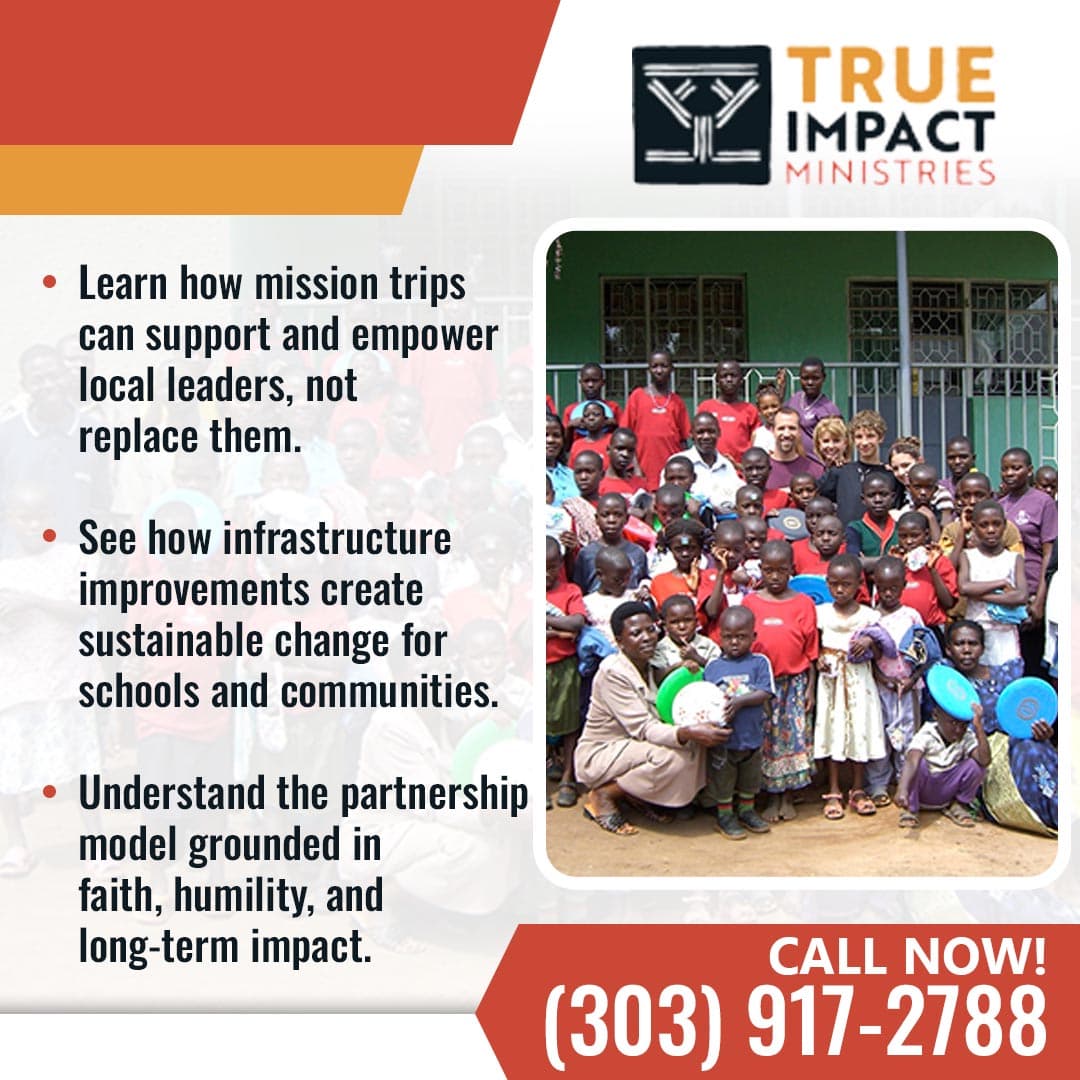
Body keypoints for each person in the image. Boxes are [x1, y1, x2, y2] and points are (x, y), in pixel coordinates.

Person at [574, 602, 729, 835]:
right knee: (673, 757)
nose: (646, 637)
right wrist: (687, 732)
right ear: (619, 641)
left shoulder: (648, 665)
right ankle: (603, 796)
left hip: (633, 745)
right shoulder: (612, 672)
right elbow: (644, 728)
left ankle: (637, 795)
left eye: (650, 630)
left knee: (691, 747)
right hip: (604, 751)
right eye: (636, 633)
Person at [944, 620, 1057, 836]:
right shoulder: (949, 685)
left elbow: (1024, 715)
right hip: (984, 754)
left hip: (1019, 741)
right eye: (959, 644)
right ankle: (1050, 814)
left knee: (1034, 749)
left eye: (973, 644)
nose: (966, 650)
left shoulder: (1006, 674)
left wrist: (1042, 731)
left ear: (982, 648)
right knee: (1027, 752)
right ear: (948, 649)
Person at [742, 541, 818, 822]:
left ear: (791, 570)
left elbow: (811, 652)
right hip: (761, 686)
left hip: (794, 683)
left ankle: (788, 795)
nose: (774, 576)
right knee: (767, 739)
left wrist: (810, 689)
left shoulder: (803, 603)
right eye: (768, 570)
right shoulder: (750, 603)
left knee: (794, 739)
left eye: (781, 570)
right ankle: (770, 797)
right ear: (760, 569)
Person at [815, 554, 887, 819]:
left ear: (859, 584)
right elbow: (813, 646)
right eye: (834, 584)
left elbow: (882, 652)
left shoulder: (869, 616)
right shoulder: (821, 612)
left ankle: (858, 788)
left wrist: (869, 642)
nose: (840, 590)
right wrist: (819, 660)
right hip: (831, 680)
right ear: (827, 583)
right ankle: (834, 789)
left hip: (859, 679)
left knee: (859, 728)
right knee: (832, 728)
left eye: (846, 584)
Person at [701, 607, 775, 839]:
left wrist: (740, 702)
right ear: (719, 637)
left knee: (749, 778)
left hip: (751, 735)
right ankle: (725, 815)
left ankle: (746, 811)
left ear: (753, 637)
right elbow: (704, 697)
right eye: (728, 637)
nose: (734, 642)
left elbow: (765, 691)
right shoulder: (713, 667)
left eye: (741, 637)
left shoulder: (759, 662)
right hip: (724, 739)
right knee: (724, 778)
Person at [865, 557, 924, 807]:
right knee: (879, 732)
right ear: (875, 586)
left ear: (903, 586)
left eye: (894, 588)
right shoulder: (869, 618)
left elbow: (923, 652)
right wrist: (882, 678)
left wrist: (912, 679)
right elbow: (867, 658)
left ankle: (904, 781)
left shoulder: (911, 616)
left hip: (908, 687)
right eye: (882, 588)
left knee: (908, 732)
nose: (888, 594)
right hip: (879, 686)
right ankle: (878, 783)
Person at [894, 678, 990, 830]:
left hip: (946, 794)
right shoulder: (927, 733)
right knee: (920, 763)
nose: (958, 729)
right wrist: (902, 789)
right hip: (923, 792)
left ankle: (958, 805)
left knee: (976, 765)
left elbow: (984, 760)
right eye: (953, 723)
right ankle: (910, 809)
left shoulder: (967, 736)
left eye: (963, 724)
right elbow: (912, 759)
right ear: (936, 715)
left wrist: (978, 727)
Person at [998, 447, 1057, 678]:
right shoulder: (1000, 504)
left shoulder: (1043, 502)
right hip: (1006, 597)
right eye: (1005, 469)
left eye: (1016, 468)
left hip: (1032, 592)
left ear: (1029, 470)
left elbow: (1049, 553)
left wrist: (1040, 601)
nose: (1010, 473)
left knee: (1033, 667)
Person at [957, 500, 1028, 665]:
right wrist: (1000, 584)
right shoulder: (968, 556)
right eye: (984, 525)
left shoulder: (1014, 558)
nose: (991, 530)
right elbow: (964, 587)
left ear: (1005, 525)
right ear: (974, 527)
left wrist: (979, 595)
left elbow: (1021, 596)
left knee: (1007, 674)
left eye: (996, 524)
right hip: (975, 633)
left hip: (1006, 632)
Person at [546, 537, 587, 809]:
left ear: (561, 564)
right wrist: (560, 630)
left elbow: (576, 622)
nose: (546, 574)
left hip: (565, 666)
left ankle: (568, 778)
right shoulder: (522, 592)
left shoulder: (570, 591)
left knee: (570, 722)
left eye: (552, 567)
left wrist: (546, 621)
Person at [624, 349, 691, 490]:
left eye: (664, 366)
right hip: (643, 469)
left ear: (671, 369)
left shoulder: (677, 401)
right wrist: (635, 467)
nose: (659, 371)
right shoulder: (637, 397)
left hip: (671, 473)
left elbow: (683, 441)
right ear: (649, 369)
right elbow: (626, 437)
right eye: (654, 366)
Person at [889, 511, 958, 640]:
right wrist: (896, 567)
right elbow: (884, 599)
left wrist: (932, 569)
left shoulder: (939, 561)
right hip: (899, 628)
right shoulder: (895, 562)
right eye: (903, 536)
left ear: (926, 535)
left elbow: (948, 602)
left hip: (931, 628)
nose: (909, 541)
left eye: (915, 536)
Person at [649, 518, 724, 635]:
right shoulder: (659, 581)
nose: (685, 554)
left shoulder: (711, 576)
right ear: (670, 549)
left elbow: (712, 611)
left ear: (700, 548)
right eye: (678, 549)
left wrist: (720, 573)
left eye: (691, 548)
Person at [817, 410, 891, 525]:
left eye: (870, 436)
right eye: (859, 437)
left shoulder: (889, 475)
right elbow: (818, 495)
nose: (864, 442)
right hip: (846, 533)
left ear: (880, 438)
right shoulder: (840, 471)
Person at [572, 493, 649, 594]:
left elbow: (644, 581)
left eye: (618, 515)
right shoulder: (586, 554)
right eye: (605, 515)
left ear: (626, 519)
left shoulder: (637, 552)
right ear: (597, 519)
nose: (611, 520)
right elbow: (580, 588)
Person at [651, 593, 721, 684]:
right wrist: (678, 666)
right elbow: (656, 678)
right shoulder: (660, 649)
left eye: (688, 620)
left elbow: (719, 673)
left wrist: (697, 658)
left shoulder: (708, 645)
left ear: (696, 622)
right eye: (674, 622)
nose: (682, 626)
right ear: (665, 625)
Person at [698, 359, 760, 462]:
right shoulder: (706, 407)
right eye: (724, 376)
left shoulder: (750, 410)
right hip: (710, 466)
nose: (729, 379)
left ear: (741, 380)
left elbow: (756, 442)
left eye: (733, 375)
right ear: (717, 381)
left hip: (740, 468)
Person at [677, 411, 741, 511]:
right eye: (700, 432)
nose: (706, 436)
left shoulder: (727, 466)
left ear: (719, 433)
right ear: (691, 434)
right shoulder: (678, 464)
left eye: (711, 431)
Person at [784, 357, 841, 458]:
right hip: (794, 460)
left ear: (823, 378)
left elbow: (838, 440)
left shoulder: (829, 409)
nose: (810, 382)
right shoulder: (795, 399)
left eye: (815, 378)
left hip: (817, 462)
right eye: (805, 378)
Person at [845, 472, 899, 575]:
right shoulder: (855, 528)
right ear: (863, 499)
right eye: (871, 495)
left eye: (883, 494)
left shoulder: (900, 528)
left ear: (892, 497)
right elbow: (853, 563)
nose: (878, 500)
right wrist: (893, 560)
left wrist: (867, 562)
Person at [584, 547, 640, 645]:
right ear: (600, 575)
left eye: (628, 578)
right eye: (618, 580)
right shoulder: (587, 604)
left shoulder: (634, 597)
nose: (624, 584)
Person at [767, 407, 824, 490]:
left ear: (800, 431)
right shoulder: (760, 471)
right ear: (772, 430)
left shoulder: (816, 470)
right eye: (781, 428)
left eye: (792, 428)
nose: (786, 434)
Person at [562, 362, 623, 434]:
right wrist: (570, 427)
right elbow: (563, 440)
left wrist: (614, 425)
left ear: (603, 382)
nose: (590, 385)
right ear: (580, 383)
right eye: (586, 381)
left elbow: (623, 434)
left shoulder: (613, 408)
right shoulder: (570, 410)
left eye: (595, 381)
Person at [561, 450, 604, 546]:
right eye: (578, 472)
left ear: (602, 474)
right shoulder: (569, 508)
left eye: (589, 472)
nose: (583, 477)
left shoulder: (609, 506)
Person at [599, 427, 647, 499]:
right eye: (620, 449)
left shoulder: (640, 485)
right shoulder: (599, 486)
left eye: (630, 450)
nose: (625, 454)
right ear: (608, 450)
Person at [567, 401, 616, 470]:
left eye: (596, 414)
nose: (591, 418)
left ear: (605, 419)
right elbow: (572, 471)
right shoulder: (576, 445)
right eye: (586, 415)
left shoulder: (613, 441)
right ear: (583, 421)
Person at [741, 447, 790, 514]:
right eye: (749, 469)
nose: (754, 473)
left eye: (760, 468)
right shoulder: (736, 498)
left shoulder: (781, 497)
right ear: (742, 471)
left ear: (769, 469)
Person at [545, 413, 579, 506]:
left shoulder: (571, 475)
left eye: (556, 435)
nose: (551, 440)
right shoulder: (525, 475)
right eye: (545, 435)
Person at [751, 380, 783, 454]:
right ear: (759, 410)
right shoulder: (757, 434)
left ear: (781, 405)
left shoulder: (787, 432)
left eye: (774, 406)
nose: (770, 411)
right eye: (765, 408)